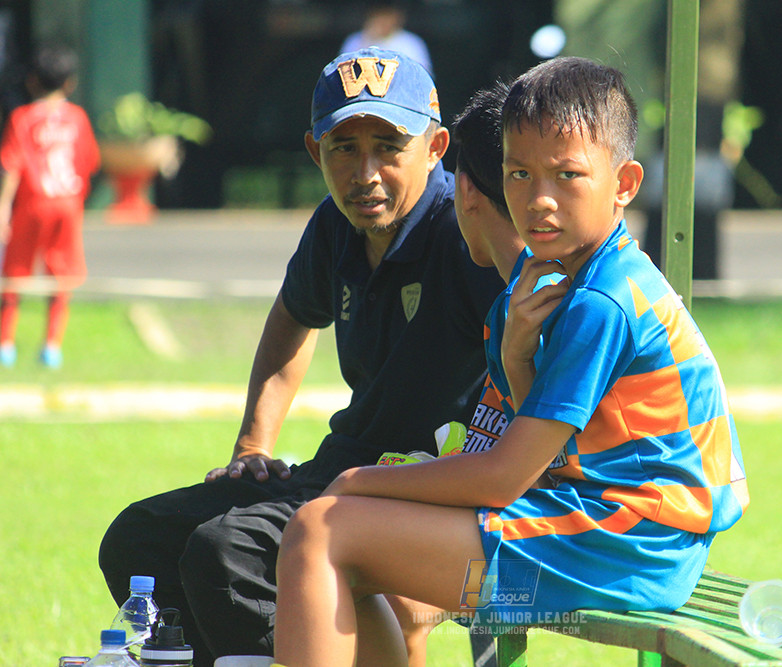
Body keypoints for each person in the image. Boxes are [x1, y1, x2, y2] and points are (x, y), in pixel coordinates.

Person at [272, 56, 749, 666]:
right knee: (356, 553)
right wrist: (518, 359)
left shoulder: (603, 298)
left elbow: (504, 476)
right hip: (604, 545)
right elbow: (545, 455)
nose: (539, 200)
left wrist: (358, 480)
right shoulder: (548, 284)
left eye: (567, 175)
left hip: (624, 555)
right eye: (519, 174)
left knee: (320, 531)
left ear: (625, 184)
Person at [98, 47, 505, 666]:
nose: (365, 172)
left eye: (388, 147)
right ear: (316, 152)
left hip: (421, 486)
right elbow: (293, 316)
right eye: (345, 148)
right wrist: (251, 448)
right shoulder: (335, 227)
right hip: (342, 468)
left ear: (436, 146)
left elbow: (540, 345)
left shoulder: (464, 230)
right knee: (138, 540)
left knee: (228, 552)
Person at [0, 42, 100, 368]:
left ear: (32, 81)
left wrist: (3, 207)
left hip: (32, 203)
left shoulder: (22, 118)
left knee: (14, 273)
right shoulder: (77, 118)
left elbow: (11, 166)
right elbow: (88, 162)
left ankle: (6, 344)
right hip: (67, 204)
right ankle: (51, 346)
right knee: (62, 276)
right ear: (70, 83)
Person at [340, 2, 433, 77]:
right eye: (378, 15)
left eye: (387, 15)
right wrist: (368, 39)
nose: (383, 20)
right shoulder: (355, 40)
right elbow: (345, 75)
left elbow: (422, 78)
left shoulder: (411, 42)